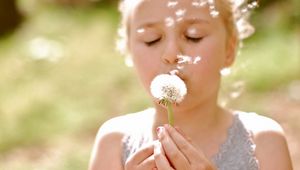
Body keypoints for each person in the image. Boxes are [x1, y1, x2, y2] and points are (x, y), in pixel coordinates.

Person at [89, 0, 293, 169]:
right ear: (129, 51)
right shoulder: (113, 142)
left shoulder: (263, 142)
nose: (171, 54)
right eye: (151, 40)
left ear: (229, 49)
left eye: (193, 36)